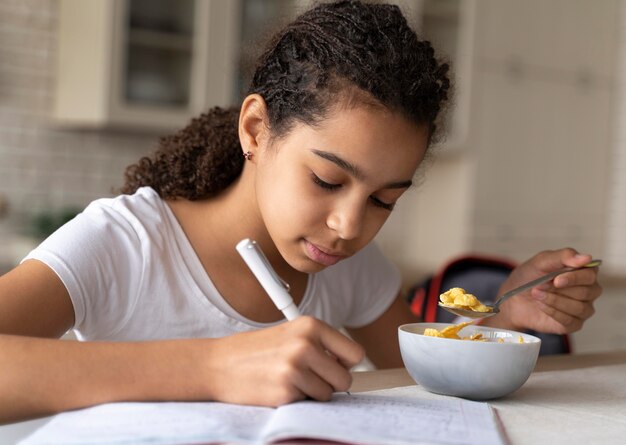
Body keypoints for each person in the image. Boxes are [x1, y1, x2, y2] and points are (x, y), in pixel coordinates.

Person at [0, 0, 601, 424]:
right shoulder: (126, 242)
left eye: (384, 200)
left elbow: (421, 374)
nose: (349, 226)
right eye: (326, 179)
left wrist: (503, 323)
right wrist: (213, 367)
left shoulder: (339, 264)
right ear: (257, 129)